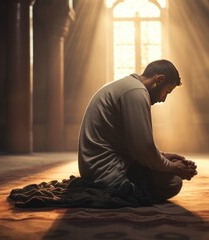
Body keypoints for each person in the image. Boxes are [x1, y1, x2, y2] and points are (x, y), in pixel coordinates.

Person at [78, 59, 197, 204]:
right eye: (166, 92)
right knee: (173, 183)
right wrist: (174, 168)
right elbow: (143, 149)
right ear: (159, 80)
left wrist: (164, 157)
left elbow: (135, 146)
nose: (163, 99)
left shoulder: (128, 86)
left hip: (94, 167)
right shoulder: (136, 92)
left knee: (163, 168)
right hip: (104, 172)